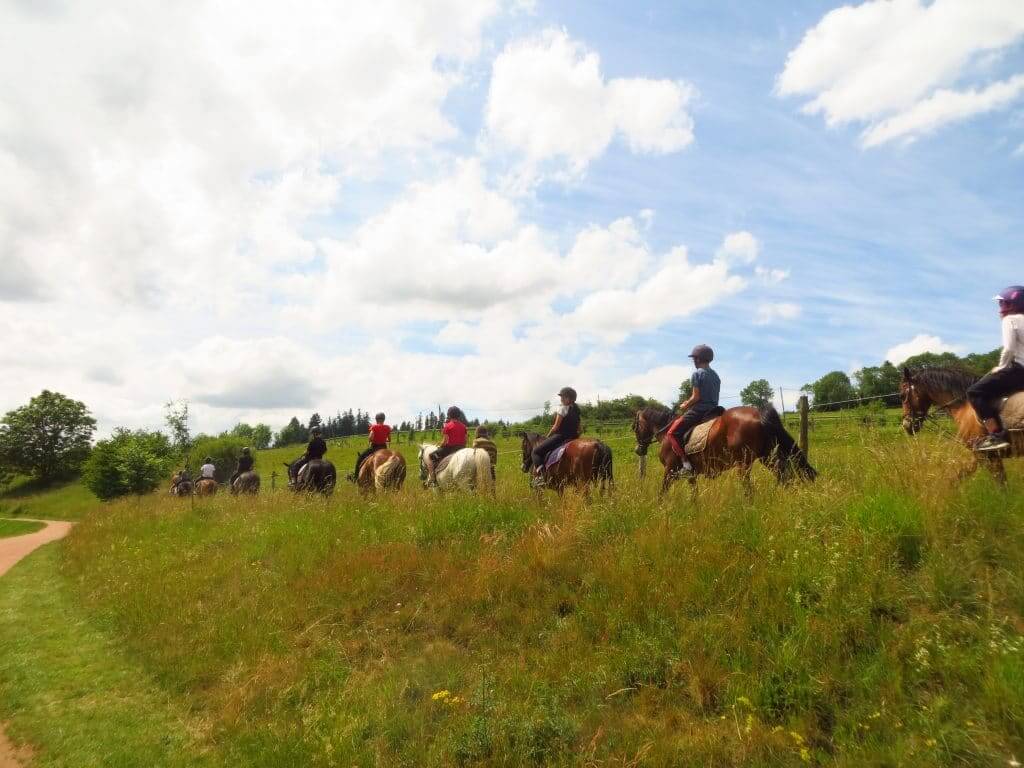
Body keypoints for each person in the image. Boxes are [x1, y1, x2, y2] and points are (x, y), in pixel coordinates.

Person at [970, 286, 1024, 452]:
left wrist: (1001, 367)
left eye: (1002, 304)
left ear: (1012, 304)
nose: (1000, 308)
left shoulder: (1011, 320)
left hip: (1020, 370)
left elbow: (1008, 348)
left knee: (974, 392)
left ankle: (996, 435)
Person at [667, 344, 721, 477]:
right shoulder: (716, 376)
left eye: (694, 359)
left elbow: (696, 397)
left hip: (700, 411)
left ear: (698, 359)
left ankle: (686, 465)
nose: (694, 362)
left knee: (672, 433)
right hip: (714, 410)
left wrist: (685, 405)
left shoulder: (697, 374)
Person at [531, 387, 582, 487]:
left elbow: (555, 427)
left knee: (535, 452)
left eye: (563, 397)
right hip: (573, 438)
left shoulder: (562, 408)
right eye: (561, 397)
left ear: (570, 399)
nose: (561, 399)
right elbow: (580, 430)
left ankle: (540, 477)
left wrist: (547, 437)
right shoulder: (576, 411)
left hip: (561, 437)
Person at [427, 407, 468, 486]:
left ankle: (432, 479)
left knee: (430, 457)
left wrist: (439, 445)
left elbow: (445, 441)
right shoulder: (464, 426)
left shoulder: (447, 426)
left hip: (449, 449)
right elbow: (466, 440)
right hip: (461, 448)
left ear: (449, 415)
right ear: (458, 415)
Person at [349, 413, 391, 482]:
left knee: (360, 458)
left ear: (376, 419)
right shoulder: (387, 427)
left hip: (375, 448)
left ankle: (355, 477)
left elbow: (370, 438)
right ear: (384, 419)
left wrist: (372, 439)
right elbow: (389, 439)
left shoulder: (374, 427)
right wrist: (384, 439)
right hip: (384, 448)